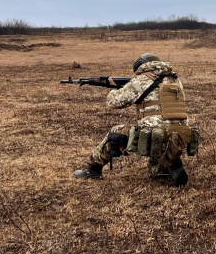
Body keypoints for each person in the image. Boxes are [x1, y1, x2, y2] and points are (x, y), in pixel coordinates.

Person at [74, 53, 197, 186]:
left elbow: (114, 102)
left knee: (116, 132)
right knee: (157, 151)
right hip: (180, 135)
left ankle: (93, 170)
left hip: (155, 134)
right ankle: (168, 166)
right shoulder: (175, 80)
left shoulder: (142, 79)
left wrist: (111, 89)